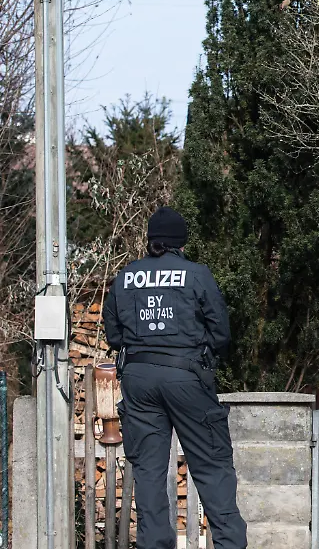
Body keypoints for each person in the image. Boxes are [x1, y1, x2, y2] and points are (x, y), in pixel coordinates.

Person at [102, 206, 247, 549]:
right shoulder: (196, 274)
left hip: (138, 379)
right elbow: (221, 332)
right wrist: (200, 356)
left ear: (150, 240)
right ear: (182, 242)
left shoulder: (126, 277)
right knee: (211, 466)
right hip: (187, 376)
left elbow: (114, 333)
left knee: (149, 472)